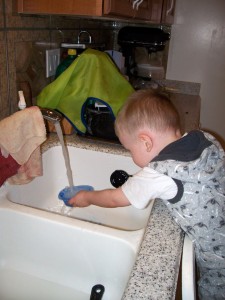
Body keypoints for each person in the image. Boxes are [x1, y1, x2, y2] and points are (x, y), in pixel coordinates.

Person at [68, 89, 225, 300]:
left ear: (146, 142)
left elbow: (116, 198)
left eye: (130, 150)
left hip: (218, 261)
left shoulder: (159, 173)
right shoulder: (203, 138)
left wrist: (87, 198)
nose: (132, 156)